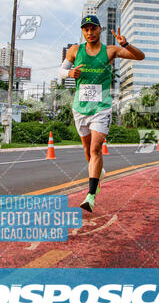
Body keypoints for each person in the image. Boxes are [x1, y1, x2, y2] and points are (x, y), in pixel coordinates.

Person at [58, 15, 145, 212]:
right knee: (88, 151)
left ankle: (90, 195)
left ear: (100, 29)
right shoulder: (75, 50)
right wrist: (70, 73)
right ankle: (98, 173)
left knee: (96, 149)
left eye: (93, 28)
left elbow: (140, 57)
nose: (90, 32)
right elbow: (61, 71)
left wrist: (127, 44)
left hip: (101, 107)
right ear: (83, 32)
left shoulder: (110, 50)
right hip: (80, 107)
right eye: (86, 29)